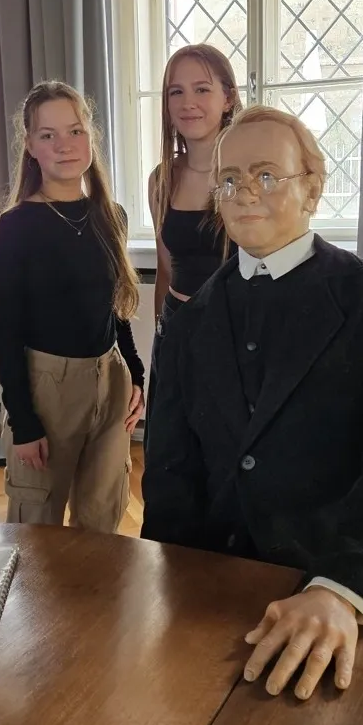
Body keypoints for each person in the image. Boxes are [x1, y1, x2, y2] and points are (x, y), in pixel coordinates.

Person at [142, 105, 363, 701]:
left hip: (346, 588)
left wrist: (340, 587)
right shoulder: (187, 321)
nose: (244, 193)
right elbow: (170, 468)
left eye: (266, 175)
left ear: (313, 188)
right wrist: (169, 580)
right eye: (229, 179)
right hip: (217, 594)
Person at [0, 80, 145, 531]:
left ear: (90, 137)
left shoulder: (111, 215)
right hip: (47, 389)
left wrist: (135, 373)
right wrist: (24, 423)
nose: (64, 145)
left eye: (75, 131)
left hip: (109, 381)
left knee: (102, 516)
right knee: (36, 525)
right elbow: (6, 334)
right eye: (48, 135)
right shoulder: (16, 228)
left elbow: (115, 306)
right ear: (30, 146)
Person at [145, 44, 241, 438]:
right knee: (175, 451)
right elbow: (165, 269)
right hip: (178, 332)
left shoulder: (250, 175)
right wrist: (162, 337)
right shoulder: (161, 179)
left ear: (227, 98)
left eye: (202, 89)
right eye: (176, 91)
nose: (188, 103)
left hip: (239, 337)